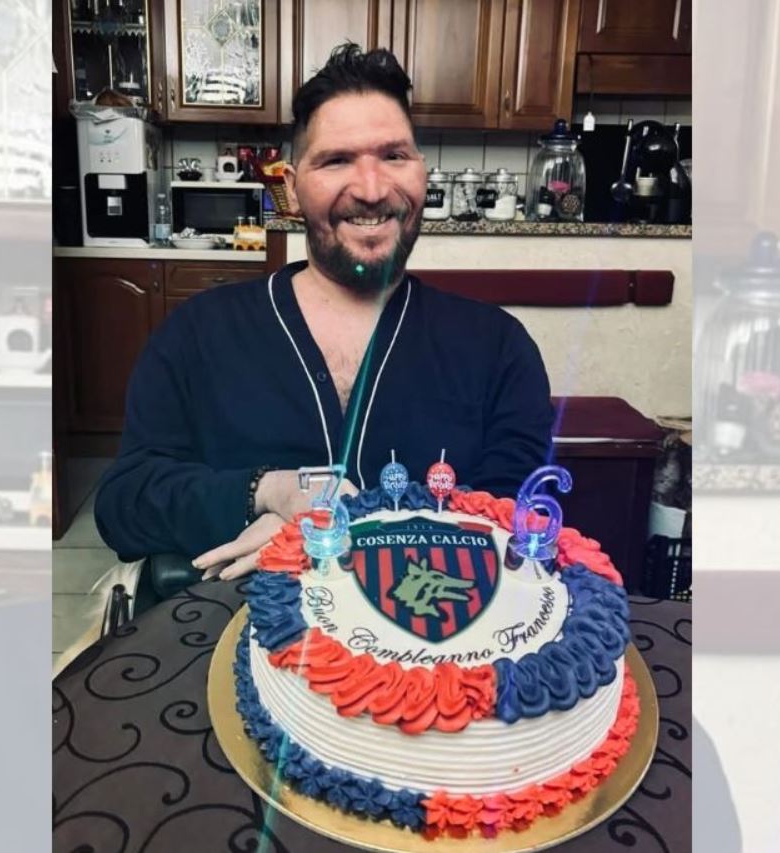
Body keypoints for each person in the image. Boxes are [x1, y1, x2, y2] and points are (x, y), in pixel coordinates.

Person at [94, 44, 553, 582]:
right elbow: (124, 505)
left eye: (394, 156)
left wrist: (325, 533)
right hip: (233, 620)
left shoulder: (497, 348)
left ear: (422, 173)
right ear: (291, 189)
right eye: (336, 161)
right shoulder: (199, 333)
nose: (372, 189)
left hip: (431, 624)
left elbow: (514, 521)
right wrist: (267, 492)